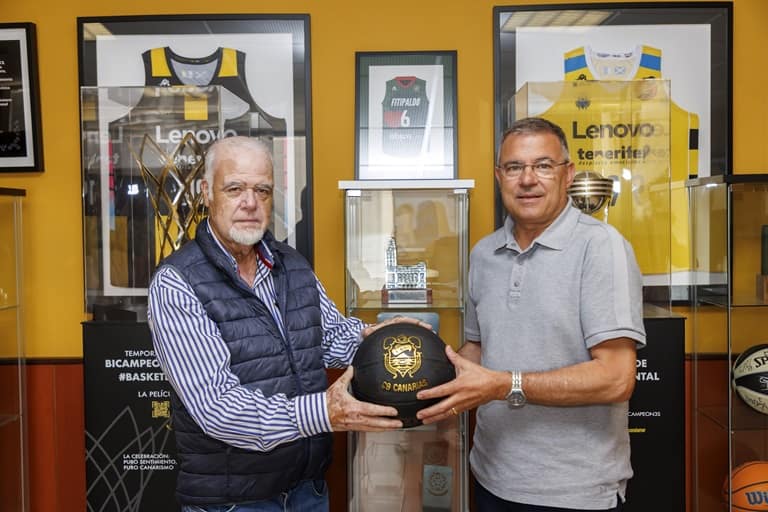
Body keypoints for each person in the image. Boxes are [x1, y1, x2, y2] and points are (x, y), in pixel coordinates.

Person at [147, 135, 427, 511]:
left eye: (262, 190)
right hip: (234, 501)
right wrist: (323, 412)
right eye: (234, 189)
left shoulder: (292, 264)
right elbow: (218, 408)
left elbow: (331, 337)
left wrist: (381, 338)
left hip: (307, 491)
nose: (250, 203)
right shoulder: (177, 283)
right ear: (207, 193)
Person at [416, 117, 646, 511]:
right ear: (499, 177)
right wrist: (420, 371)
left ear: (567, 174)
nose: (527, 179)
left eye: (543, 165)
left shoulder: (601, 247)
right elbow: (477, 348)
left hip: (574, 491)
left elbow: (615, 378)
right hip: (489, 476)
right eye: (514, 167)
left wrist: (505, 385)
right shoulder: (484, 253)